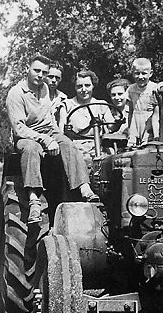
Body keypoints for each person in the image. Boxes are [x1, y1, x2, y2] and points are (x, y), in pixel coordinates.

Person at [6, 55, 97, 223]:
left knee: (68, 145)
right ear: (28, 68)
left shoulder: (45, 89)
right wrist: (45, 140)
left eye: (44, 72)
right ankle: (33, 198)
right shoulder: (16, 93)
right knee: (31, 149)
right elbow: (19, 128)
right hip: (26, 136)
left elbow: (49, 119)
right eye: (37, 70)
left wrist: (57, 136)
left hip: (48, 131)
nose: (40, 75)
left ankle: (84, 188)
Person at [65, 70, 115, 161]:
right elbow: (61, 131)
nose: (84, 90)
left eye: (87, 85)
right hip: (75, 150)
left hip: (99, 148)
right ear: (75, 88)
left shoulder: (101, 105)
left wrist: (118, 122)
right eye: (79, 86)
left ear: (93, 86)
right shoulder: (67, 105)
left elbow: (112, 127)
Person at [127, 58, 159, 146]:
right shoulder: (131, 89)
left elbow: (157, 113)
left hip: (149, 119)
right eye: (137, 73)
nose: (140, 77)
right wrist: (130, 129)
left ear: (151, 73)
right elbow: (130, 112)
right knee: (132, 145)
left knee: (147, 145)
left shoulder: (154, 88)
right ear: (132, 73)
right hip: (135, 119)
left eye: (144, 73)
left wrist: (156, 133)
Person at [46, 63, 68, 131]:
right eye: (50, 77)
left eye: (57, 78)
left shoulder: (62, 98)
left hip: (56, 134)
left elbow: (63, 121)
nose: (54, 80)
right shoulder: (35, 95)